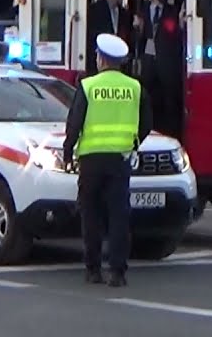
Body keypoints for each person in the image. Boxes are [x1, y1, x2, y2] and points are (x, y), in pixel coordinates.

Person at [62, 33, 152, 288]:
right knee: (118, 216)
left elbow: (74, 123)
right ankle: (118, 272)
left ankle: (93, 269)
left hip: (90, 160)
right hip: (120, 160)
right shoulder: (135, 88)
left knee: (90, 215)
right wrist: (133, 143)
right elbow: (147, 123)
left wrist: (68, 152)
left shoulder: (88, 86)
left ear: (101, 59)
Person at [132, 0, 185, 137]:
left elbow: (175, 36)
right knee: (146, 99)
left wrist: (181, 25)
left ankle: (170, 135)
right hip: (147, 64)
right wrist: (138, 29)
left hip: (167, 65)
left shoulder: (172, 11)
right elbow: (136, 39)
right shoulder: (142, 10)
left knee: (169, 102)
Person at [85, 0, 132, 76]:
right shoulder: (95, 10)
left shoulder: (125, 13)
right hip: (100, 63)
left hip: (119, 64)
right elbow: (91, 36)